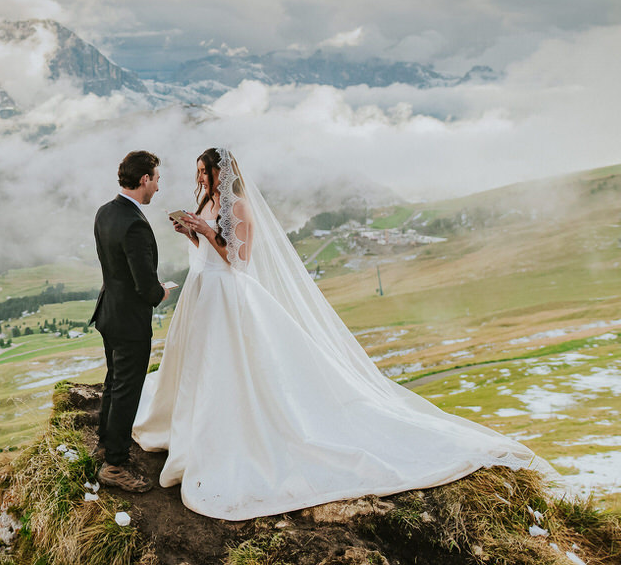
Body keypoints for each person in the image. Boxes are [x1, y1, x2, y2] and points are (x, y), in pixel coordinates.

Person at [133, 147, 552, 520]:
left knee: (231, 366)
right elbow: (207, 249)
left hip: (228, 295)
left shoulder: (239, 206)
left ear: (223, 173)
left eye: (205, 171)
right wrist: (192, 232)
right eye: (199, 172)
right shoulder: (207, 201)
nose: (200, 178)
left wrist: (207, 232)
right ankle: (190, 427)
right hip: (203, 293)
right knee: (199, 365)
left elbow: (239, 261)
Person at [90, 150, 170, 493]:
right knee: (127, 389)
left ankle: (106, 445)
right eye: (156, 180)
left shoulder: (105, 212)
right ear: (143, 180)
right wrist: (163, 292)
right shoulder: (135, 224)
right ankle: (114, 466)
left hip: (109, 312)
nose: (157, 187)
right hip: (129, 321)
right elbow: (146, 287)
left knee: (114, 382)